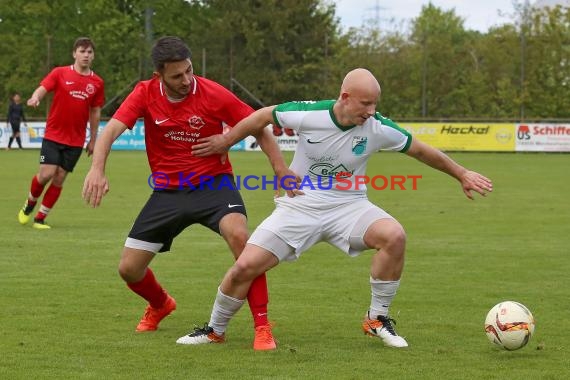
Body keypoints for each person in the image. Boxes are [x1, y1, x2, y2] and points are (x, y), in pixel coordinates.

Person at [176, 68, 493, 349]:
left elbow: (421, 151)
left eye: (374, 104)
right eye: (365, 104)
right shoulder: (309, 114)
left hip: (350, 208)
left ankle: (377, 318)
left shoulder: (378, 128)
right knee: (245, 267)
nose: (371, 111)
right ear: (345, 97)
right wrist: (227, 141)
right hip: (299, 206)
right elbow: (261, 117)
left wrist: (461, 174)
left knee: (394, 236)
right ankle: (215, 330)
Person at [82, 36, 294, 351]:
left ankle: (262, 326)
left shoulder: (211, 93)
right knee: (129, 269)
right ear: (159, 76)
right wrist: (97, 169)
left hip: (213, 185)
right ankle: (160, 304)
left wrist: (280, 169)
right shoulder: (144, 92)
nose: (186, 80)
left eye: (189, 71)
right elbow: (110, 130)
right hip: (167, 192)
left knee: (241, 238)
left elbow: (257, 126)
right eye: (177, 76)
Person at [18, 37, 104, 229]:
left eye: (89, 52)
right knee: (47, 173)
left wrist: (93, 139)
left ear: (93, 56)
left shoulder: (97, 82)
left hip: (76, 139)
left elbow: (95, 111)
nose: (86, 55)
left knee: (59, 177)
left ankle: (40, 218)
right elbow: (43, 88)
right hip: (54, 135)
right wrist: (35, 97)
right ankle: (30, 203)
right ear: (74, 53)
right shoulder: (60, 73)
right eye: (82, 51)